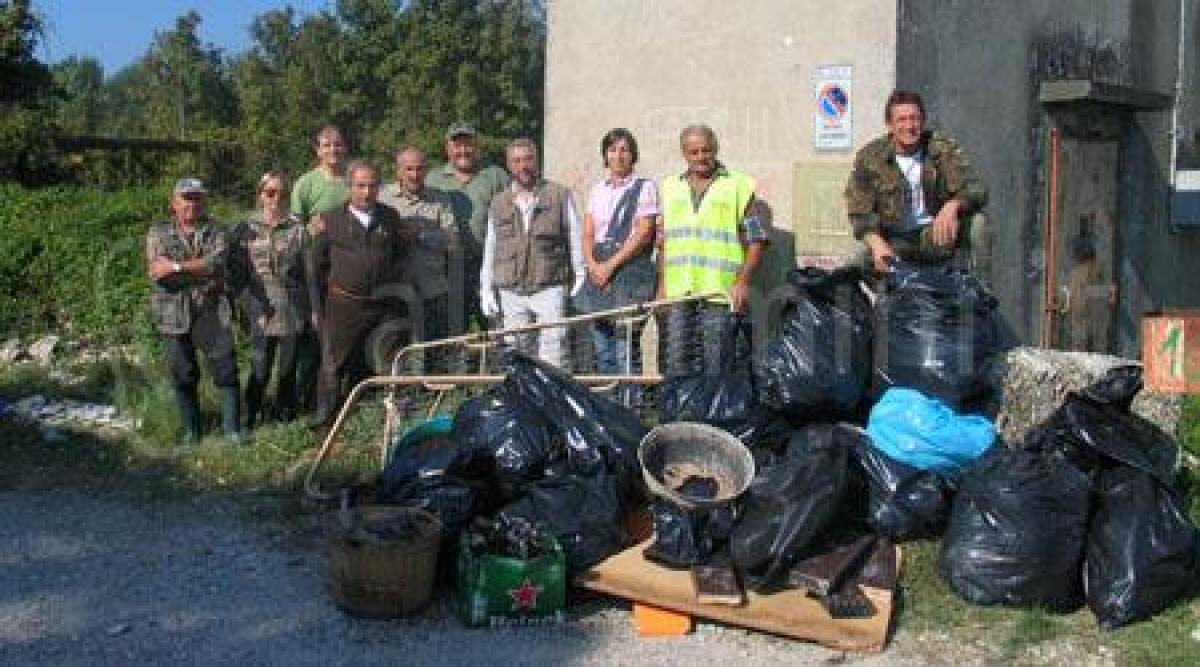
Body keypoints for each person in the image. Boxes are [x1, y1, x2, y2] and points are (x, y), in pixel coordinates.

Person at [844, 89, 990, 283]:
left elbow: (976, 188)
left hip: (936, 235)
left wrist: (952, 206)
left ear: (923, 121)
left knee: (978, 224)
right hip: (895, 240)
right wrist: (876, 243)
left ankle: (981, 298)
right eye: (902, 120)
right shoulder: (871, 157)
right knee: (855, 260)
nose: (909, 126)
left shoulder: (941, 148)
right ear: (890, 124)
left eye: (915, 118)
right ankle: (875, 307)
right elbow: (859, 212)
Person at [655, 124, 768, 373]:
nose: (701, 157)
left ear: (715, 149)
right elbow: (663, 244)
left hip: (720, 293)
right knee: (677, 365)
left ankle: (713, 413)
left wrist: (742, 282)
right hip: (679, 293)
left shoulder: (739, 185)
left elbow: (757, 240)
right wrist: (662, 287)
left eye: (706, 150)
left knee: (717, 365)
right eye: (693, 152)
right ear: (684, 154)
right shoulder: (670, 187)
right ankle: (683, 413)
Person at [311, 160, 415, 426]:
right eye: (360, 186)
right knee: (333, 364)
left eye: (372, 186)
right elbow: (316, 264)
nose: (367, 192)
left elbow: (401, 252)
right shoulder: (330, 220)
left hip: (383, 305)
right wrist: (322, 301)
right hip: (344, 304)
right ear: (349, 187)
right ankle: (326, 423)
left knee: (390, 359)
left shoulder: (390, 217)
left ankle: (393, 420)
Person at [145, 178, 243, 444]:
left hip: (211, 310)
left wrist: (177, 267)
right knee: (182, 374)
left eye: (197, 198)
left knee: (225, 371)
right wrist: (197, 269)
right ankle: (191, 434)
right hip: (172, 314)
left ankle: (232, 431)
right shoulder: (158, 232)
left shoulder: (217, 230)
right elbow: (157, 273)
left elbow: (217, 263)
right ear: (174, 203)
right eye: (186, 198)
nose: (192, 203)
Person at [479, 138, 585, 369]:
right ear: (508, 165)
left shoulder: (559, 195)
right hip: (511, 290)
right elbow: (491, 247)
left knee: (554, 352)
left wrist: (580, 275)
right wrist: (486, 288)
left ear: (537, 162)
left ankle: (553, 403)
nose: (523, 166)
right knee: (517, 354)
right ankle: (524, 403)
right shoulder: (498, 203)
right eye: (516, 161)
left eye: (528, 159)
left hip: (550, 285)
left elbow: (575, 237)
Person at [228, 171, 320, 428]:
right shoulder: (244, 229)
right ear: (260, 195)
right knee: (259, 365)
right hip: (259, 303)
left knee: (288, 367)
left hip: (292, 304)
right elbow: (235, 276)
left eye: (282, 193)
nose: (276, 198)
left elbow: (309, 274)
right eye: (270, 192)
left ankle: (282, 417)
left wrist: (314, 309)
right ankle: (248, 418)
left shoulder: (297, 229)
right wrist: (245, 307)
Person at [578, 128, 658, 375]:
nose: (618, 155)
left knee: (625, 348)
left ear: (633, 155)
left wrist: (609, 266)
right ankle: (608, 408)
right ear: (606, 155)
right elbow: (588, 232)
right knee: (602, 348)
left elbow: (644, 233)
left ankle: (631, 407)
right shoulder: (597, 190)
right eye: (612, 150)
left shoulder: (645, 187)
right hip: (598, 273)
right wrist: (592, 265)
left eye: (624, 149)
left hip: (630, 271)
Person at [425, 122, 510, 333]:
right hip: (448, 265)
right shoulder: (433, 178)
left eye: (468, 144)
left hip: (488, 263)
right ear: (448, 149)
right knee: (454, 326)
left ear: (477, 147)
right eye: (457, 145)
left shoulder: (496, 176)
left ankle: (496, 365)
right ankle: (458, 365)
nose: (463, 150)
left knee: (493, 323)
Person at [378, 146, 458, 367]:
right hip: (396, 286)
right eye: (409, 169)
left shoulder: (440, 199)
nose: (414, 174)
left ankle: (435, 395)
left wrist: (421, 235)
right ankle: (398, 396)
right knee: (395, 349)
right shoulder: (382, 197)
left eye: (420, 168)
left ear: (427, 170)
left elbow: (452, 241)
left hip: (432, 286)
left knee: (435, 349)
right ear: (398, 171)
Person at [292, 125, 350, 232]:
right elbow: (295, 225)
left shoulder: (355, 181)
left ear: (345, 148)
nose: (333, 150)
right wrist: (310, 228)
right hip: (317, 246)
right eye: (327, 145)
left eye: (337, 145)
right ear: (318, 151)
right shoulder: (305, 183)